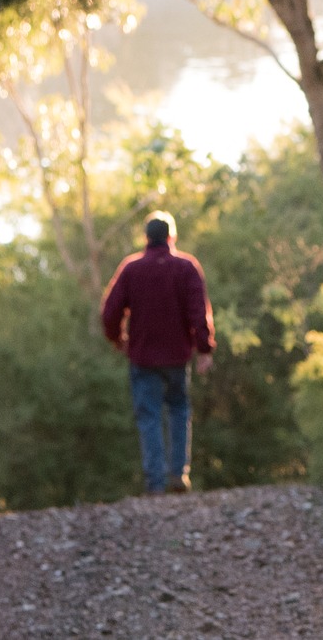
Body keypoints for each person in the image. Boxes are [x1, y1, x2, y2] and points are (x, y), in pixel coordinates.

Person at [101, 210, 215, 495]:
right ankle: (178, 474)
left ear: (146, 238)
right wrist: (204, 349)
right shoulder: (186, 267)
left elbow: (110, 312)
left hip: (142, 357)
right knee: (178, 410)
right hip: (177, 356)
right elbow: (198, 312)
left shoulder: (131, 269)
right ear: (171, 237)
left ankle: (155, 482)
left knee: (149, 416)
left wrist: (118, 340)